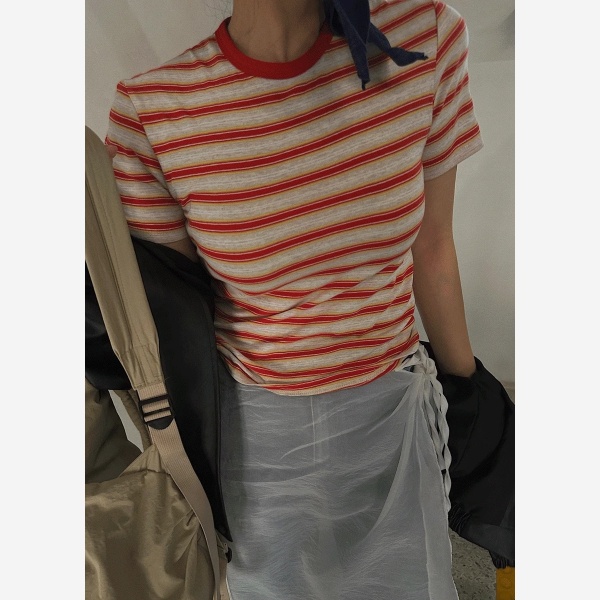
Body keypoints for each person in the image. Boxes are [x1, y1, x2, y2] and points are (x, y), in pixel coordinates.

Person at [105, 0, 483, 597]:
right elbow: (176, 327)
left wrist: (475, 409)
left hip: (393, 417)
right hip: (258, 443)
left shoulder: (422, 37)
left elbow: (433, 246)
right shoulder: (153, 112)